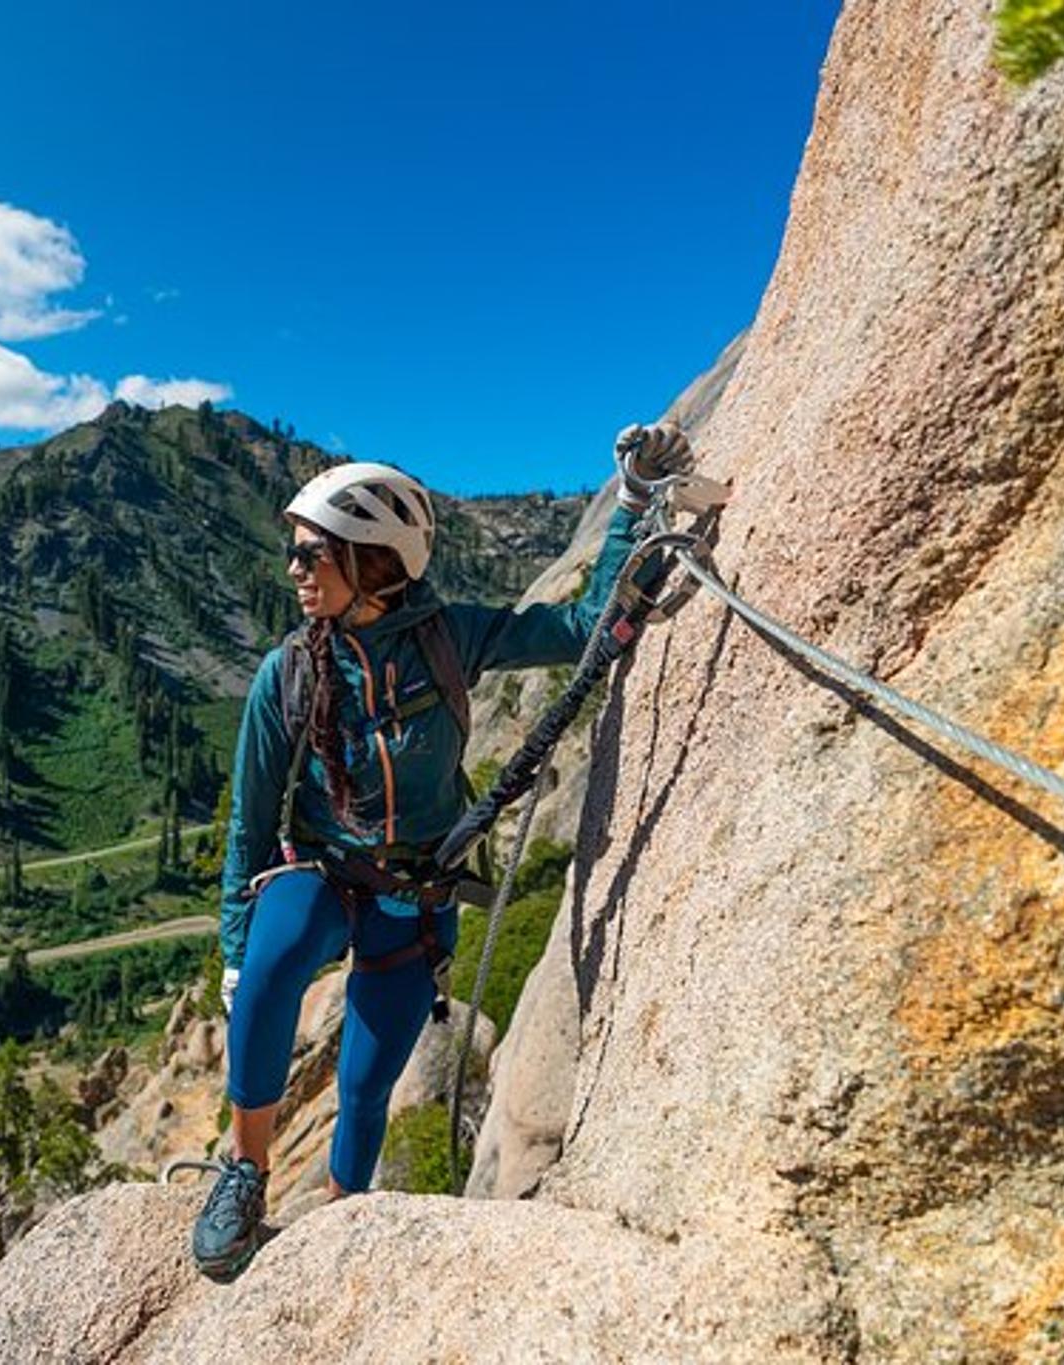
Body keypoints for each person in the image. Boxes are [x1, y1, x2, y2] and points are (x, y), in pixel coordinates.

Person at [189, 423, 691, 1280]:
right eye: (296, 551)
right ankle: (245, 1172)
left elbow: (582, 628)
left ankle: (344, 1219)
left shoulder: (447, 638)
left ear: (373, 558)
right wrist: (238, 952)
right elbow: (249, 824)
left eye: (313, 553)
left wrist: (633, 503)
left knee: (367, 1083)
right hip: (322, 870)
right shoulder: (290, 672)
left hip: (414, 898)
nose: (294, 569)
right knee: (272, 967)